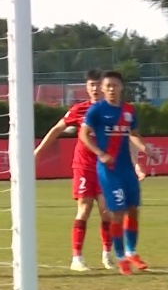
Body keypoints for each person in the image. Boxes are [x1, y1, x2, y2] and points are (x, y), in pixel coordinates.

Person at [35, 69, 144, 271]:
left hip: (108, 169)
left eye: (97, 85)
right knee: (84, 209)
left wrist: (136, 163)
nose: (95, 89)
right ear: (87, 88)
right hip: (84, 166)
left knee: (107, 211)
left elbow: (127, 139)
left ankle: (107, 254)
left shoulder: (118, 111)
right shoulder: (80, 109)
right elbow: (57, 129)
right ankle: (77, 257)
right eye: (90, 85)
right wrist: (38, 152)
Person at [78, 71, 151, 275]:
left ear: (121, 87)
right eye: (108, 86)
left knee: (133, 209)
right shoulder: (97, 110)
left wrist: (146, 149)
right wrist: (100, 154)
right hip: (109, 171)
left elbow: (133, 135)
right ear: (103, 88)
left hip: (127, 169)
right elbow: (84, 134)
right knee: (117, 212)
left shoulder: (129, 110)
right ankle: (119, 256)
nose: (111, 89)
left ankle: (131, 252)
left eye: (115, 85)